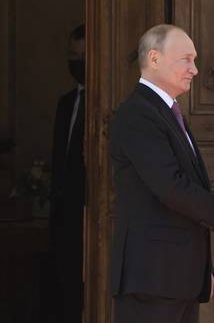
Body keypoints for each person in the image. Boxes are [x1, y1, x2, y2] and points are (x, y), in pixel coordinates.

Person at [109, 24, 214, 323]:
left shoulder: (168, 111)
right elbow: (170, 186)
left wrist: (202, 268)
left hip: (178, 278)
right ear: (155, 58)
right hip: (152, 278)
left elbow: (184, 188)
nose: (195, 69)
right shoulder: (138, 114)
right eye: (186, 59)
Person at [49, 23, 86, 323]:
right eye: (72, 55)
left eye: (82, 56)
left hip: (91, 212)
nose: (76, 62)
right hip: (64, 215)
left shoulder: (108, 105)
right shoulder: (65, 104)